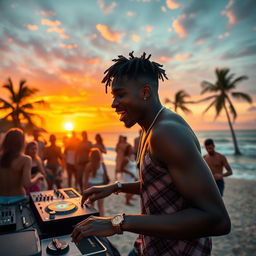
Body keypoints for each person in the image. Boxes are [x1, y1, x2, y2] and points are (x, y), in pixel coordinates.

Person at [72, 52, 231, 255]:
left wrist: (116, 222)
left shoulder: (167, 132)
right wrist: (117, 186)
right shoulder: (149, 128)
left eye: (120, 95)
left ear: (145, 92)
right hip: (149, 244)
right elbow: (162, 185)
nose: (113, 104)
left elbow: (217, 219)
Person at [0, 128, 43, 204]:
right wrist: (38, 176)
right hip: (18, 198)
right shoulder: (25, 159)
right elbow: (27, 184)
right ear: (21, 143)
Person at [84, 148, 109, 216]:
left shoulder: (88, 165)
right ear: (99, 156)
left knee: (91, 206)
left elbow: (86, 180)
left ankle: (93, 219)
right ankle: (102, 219)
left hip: (91, 187)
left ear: (91, 156)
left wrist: (85, 191)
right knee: (101, 206)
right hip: (100, 187)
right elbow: (105, 177)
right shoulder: (102, 165)